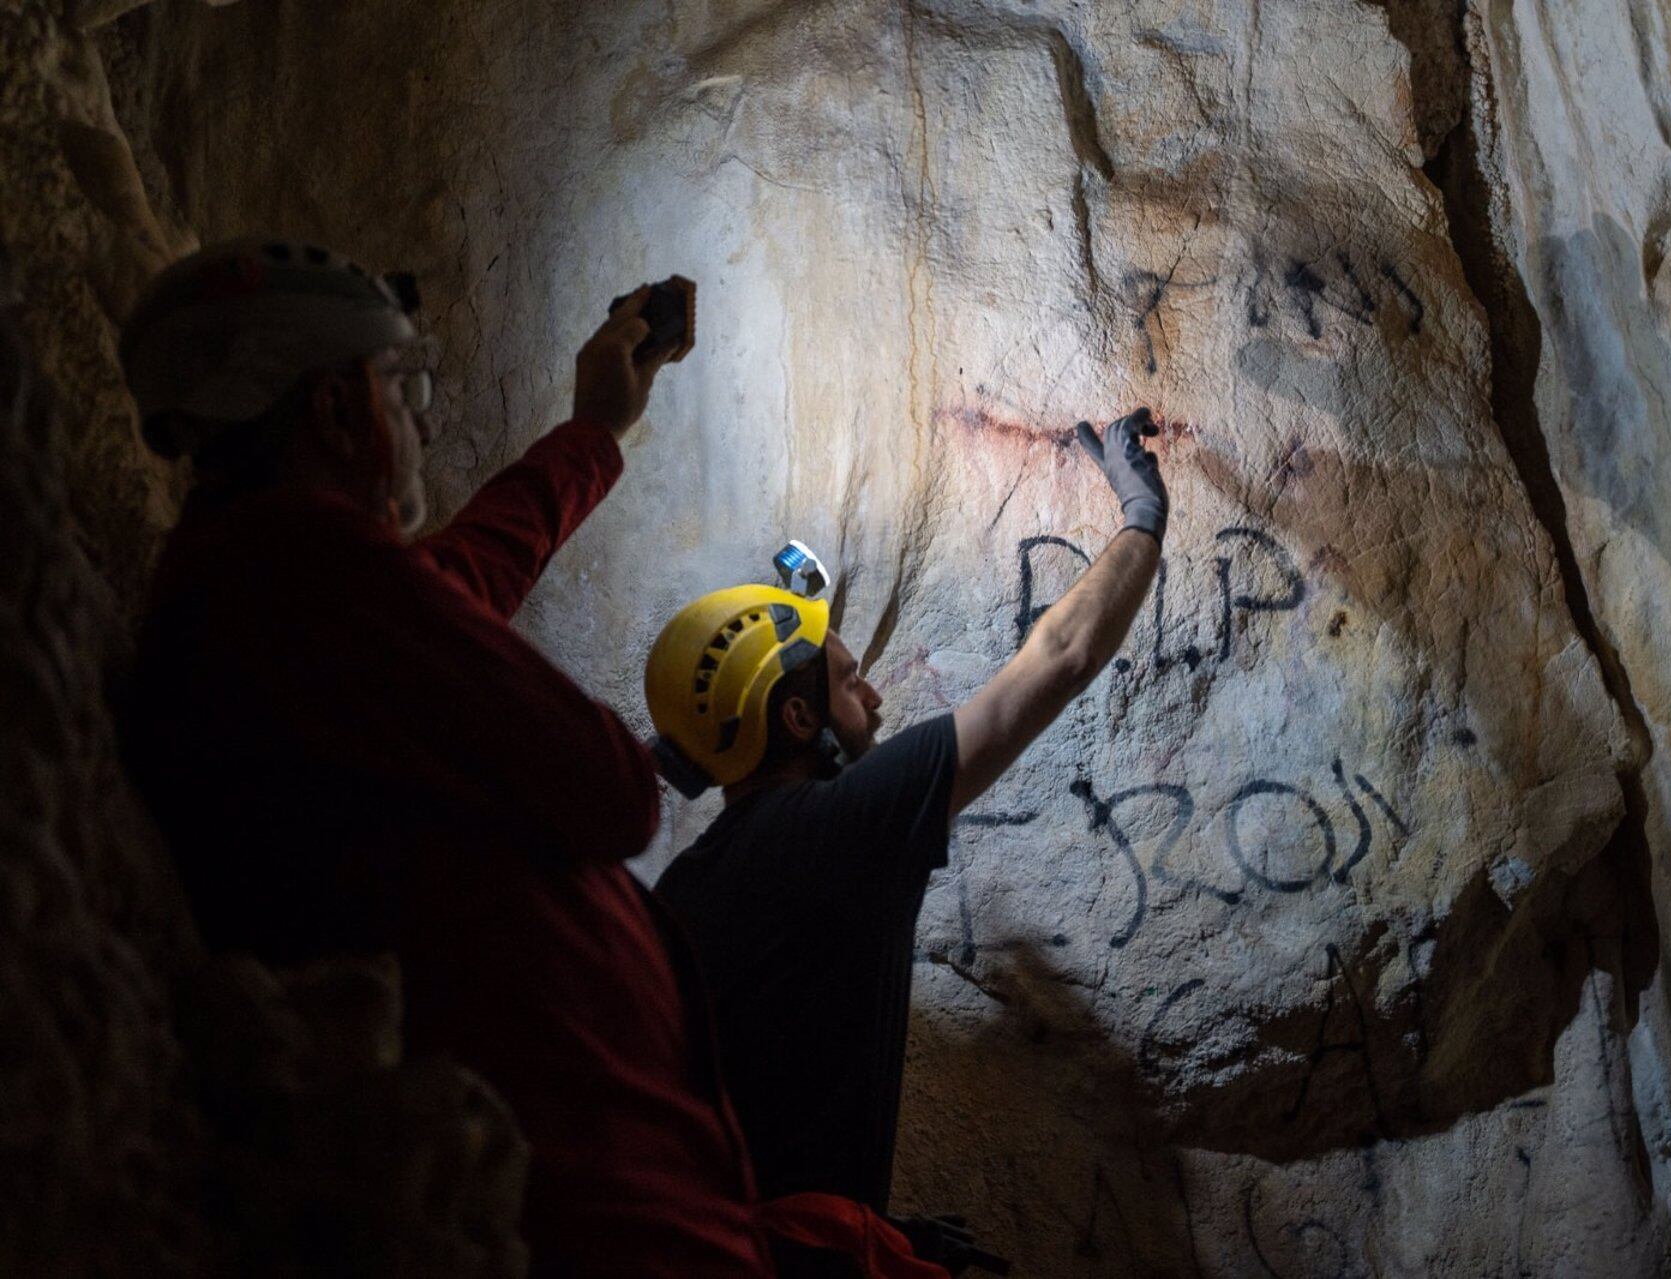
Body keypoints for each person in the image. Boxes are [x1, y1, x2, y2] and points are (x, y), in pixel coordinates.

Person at [118, 241, 939, 1278]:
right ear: (331, 411)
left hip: (591, 1188)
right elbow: (604, 784)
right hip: (593, 1200)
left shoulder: (273, 604)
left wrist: (595, 432)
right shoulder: (289, 568)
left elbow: (453, 583)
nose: (413, 423)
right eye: (394, 389)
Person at [645, 407, 1170, 1253]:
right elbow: (1060, 658)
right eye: (851, 683)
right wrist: (1141, 519)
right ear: (797, 714)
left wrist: (867, 1231)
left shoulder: (687, 884)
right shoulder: (837, 828)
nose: (876, 698)